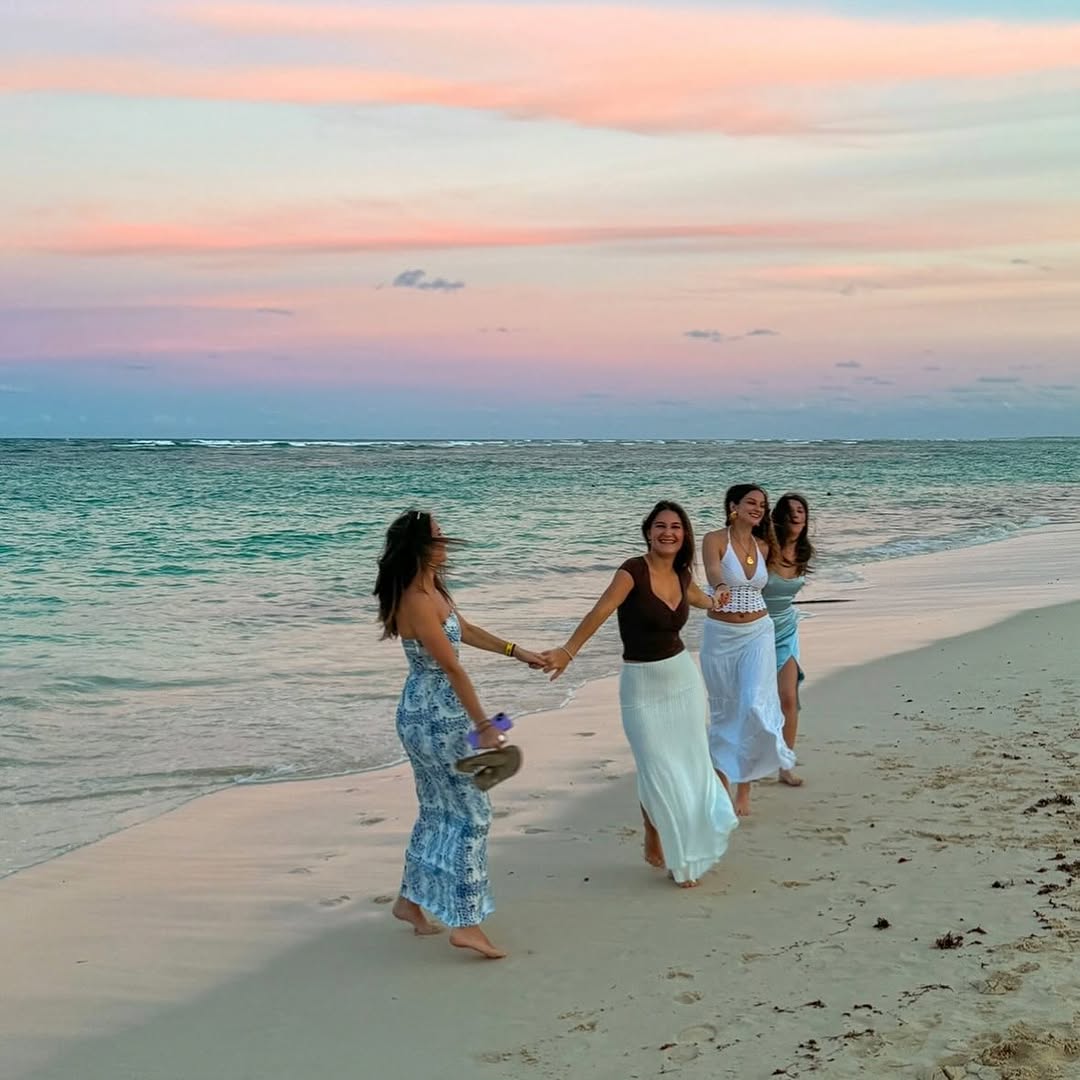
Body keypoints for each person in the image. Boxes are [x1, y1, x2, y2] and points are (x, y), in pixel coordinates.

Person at [374, 510, 544, 959]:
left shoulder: (432, 589)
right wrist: (485, 724)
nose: (445, 539)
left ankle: (409, 902)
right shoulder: (415, 599)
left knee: (436, 808)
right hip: (434, 716)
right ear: (419, 546)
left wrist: (517, 651)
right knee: (472, 814)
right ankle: (466, 923)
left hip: (433, 713)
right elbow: (450, 667)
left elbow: (463, 631)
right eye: (437, 535)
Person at [542, 501, 738, 887]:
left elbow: (700, 599)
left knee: (689, 763)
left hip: (681, 680)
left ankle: (682, 857)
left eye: (676, 527)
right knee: (656, 766)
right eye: (660, 526)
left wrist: (718, 598)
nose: (668, 532)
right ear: (648, 531)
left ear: (684, 535)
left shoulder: (682, 574)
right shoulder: (632, 571)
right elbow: (599, 612)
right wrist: (567, 651)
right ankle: (654, 829)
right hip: (641, 685)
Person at [700, 484, 796, 817]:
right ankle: (721, 788)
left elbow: (786, 570)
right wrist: (720, 586)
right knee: (725, 712)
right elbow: (714, 571)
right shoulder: (714, 539)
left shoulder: (763, 546)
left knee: (752, 704)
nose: (758, 508)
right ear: (733, 506)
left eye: (762, 505)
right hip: (721, 636)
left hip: (758, 633)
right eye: (751, 502)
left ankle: (745, 788)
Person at [763, 492, 815, 787]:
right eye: (791, 510)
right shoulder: (764, 550)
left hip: (786, 630)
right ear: (780, 517)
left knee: (789, 698)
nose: (797, 515)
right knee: (754, 704)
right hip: (756, 631)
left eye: (801, 511)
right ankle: (746, 765)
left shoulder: (804, 553)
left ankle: (785, 765)